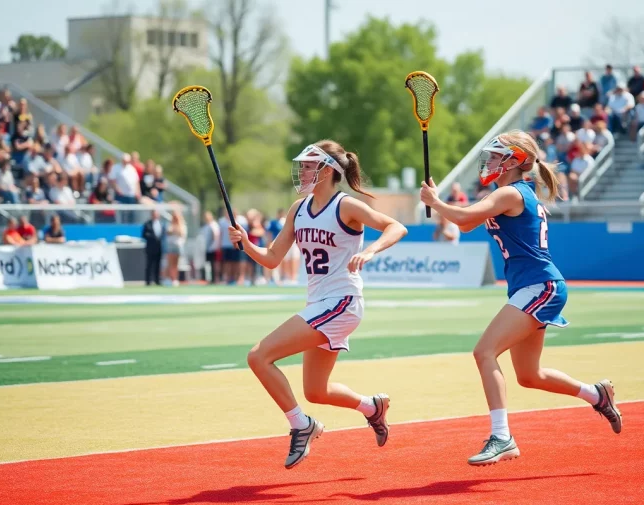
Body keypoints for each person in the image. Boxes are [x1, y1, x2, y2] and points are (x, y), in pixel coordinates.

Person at [419, 130, 621, 467]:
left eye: (497, 156)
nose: (490, 162)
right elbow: (467, 225)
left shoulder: (511, 193)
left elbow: (466, 218)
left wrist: (436, 202)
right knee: (530, 375)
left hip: (540, 285)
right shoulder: (506, 193)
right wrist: (438, 203)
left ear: (514, 161)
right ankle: (596, 394)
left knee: (484, 351)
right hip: (532, 287)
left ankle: (502, 437)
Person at [227, 140, 407, 469]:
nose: (303, 170)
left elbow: (397, 226)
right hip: (322, 304)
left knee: (258, 356)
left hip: (342, 302)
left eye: (309, 165)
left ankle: (301, 425)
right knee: (316, 390)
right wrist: (247, 243)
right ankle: (372, 407)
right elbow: (272, 259)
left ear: (327, 170)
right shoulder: (299, 208)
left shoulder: (346, 206)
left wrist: (370, 250)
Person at [142, 210, 165, 286]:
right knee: (149, 265)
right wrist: (153, 237)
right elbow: (144, 235)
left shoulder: (161, 224)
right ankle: (148, 281)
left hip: (159, 247)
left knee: (158, 265)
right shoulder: (147, 224)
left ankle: (157, 280)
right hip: (150, 248)